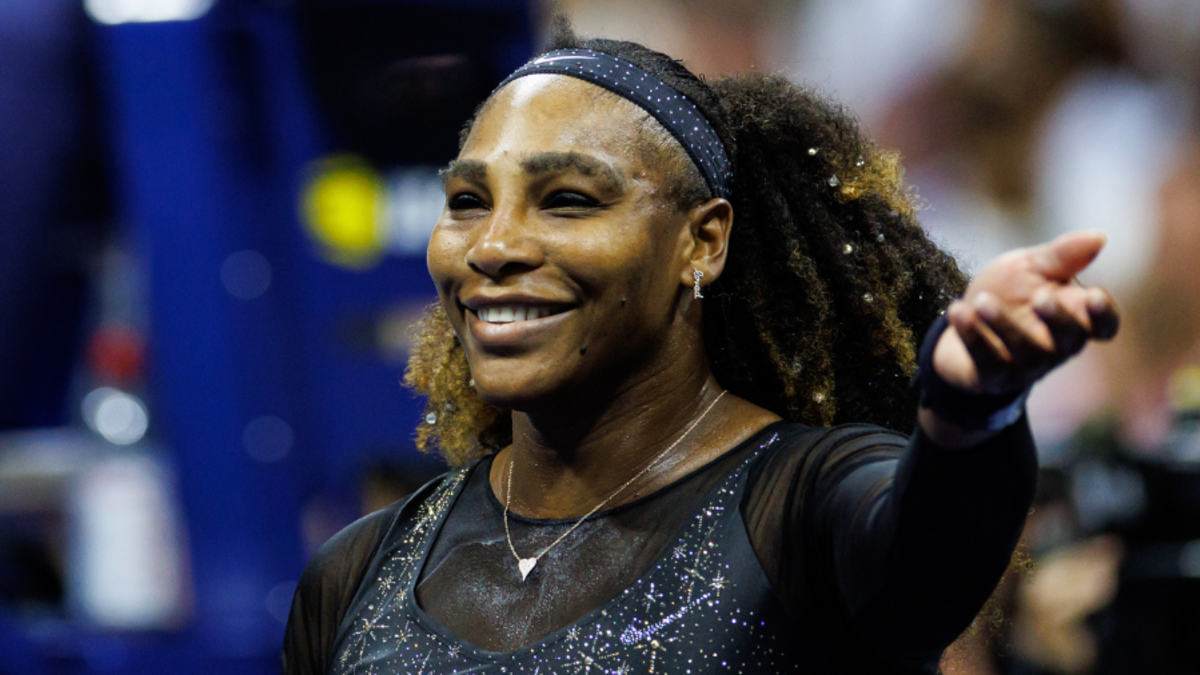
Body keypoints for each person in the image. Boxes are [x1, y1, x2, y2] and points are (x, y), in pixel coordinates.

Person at [282, 24, 1118, 675]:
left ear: (702, 241)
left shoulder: (803, 503)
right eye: (468, 200)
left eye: (567, 200)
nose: (492, 245)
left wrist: (973, 410)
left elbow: (934, 558)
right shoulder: (358, 571)